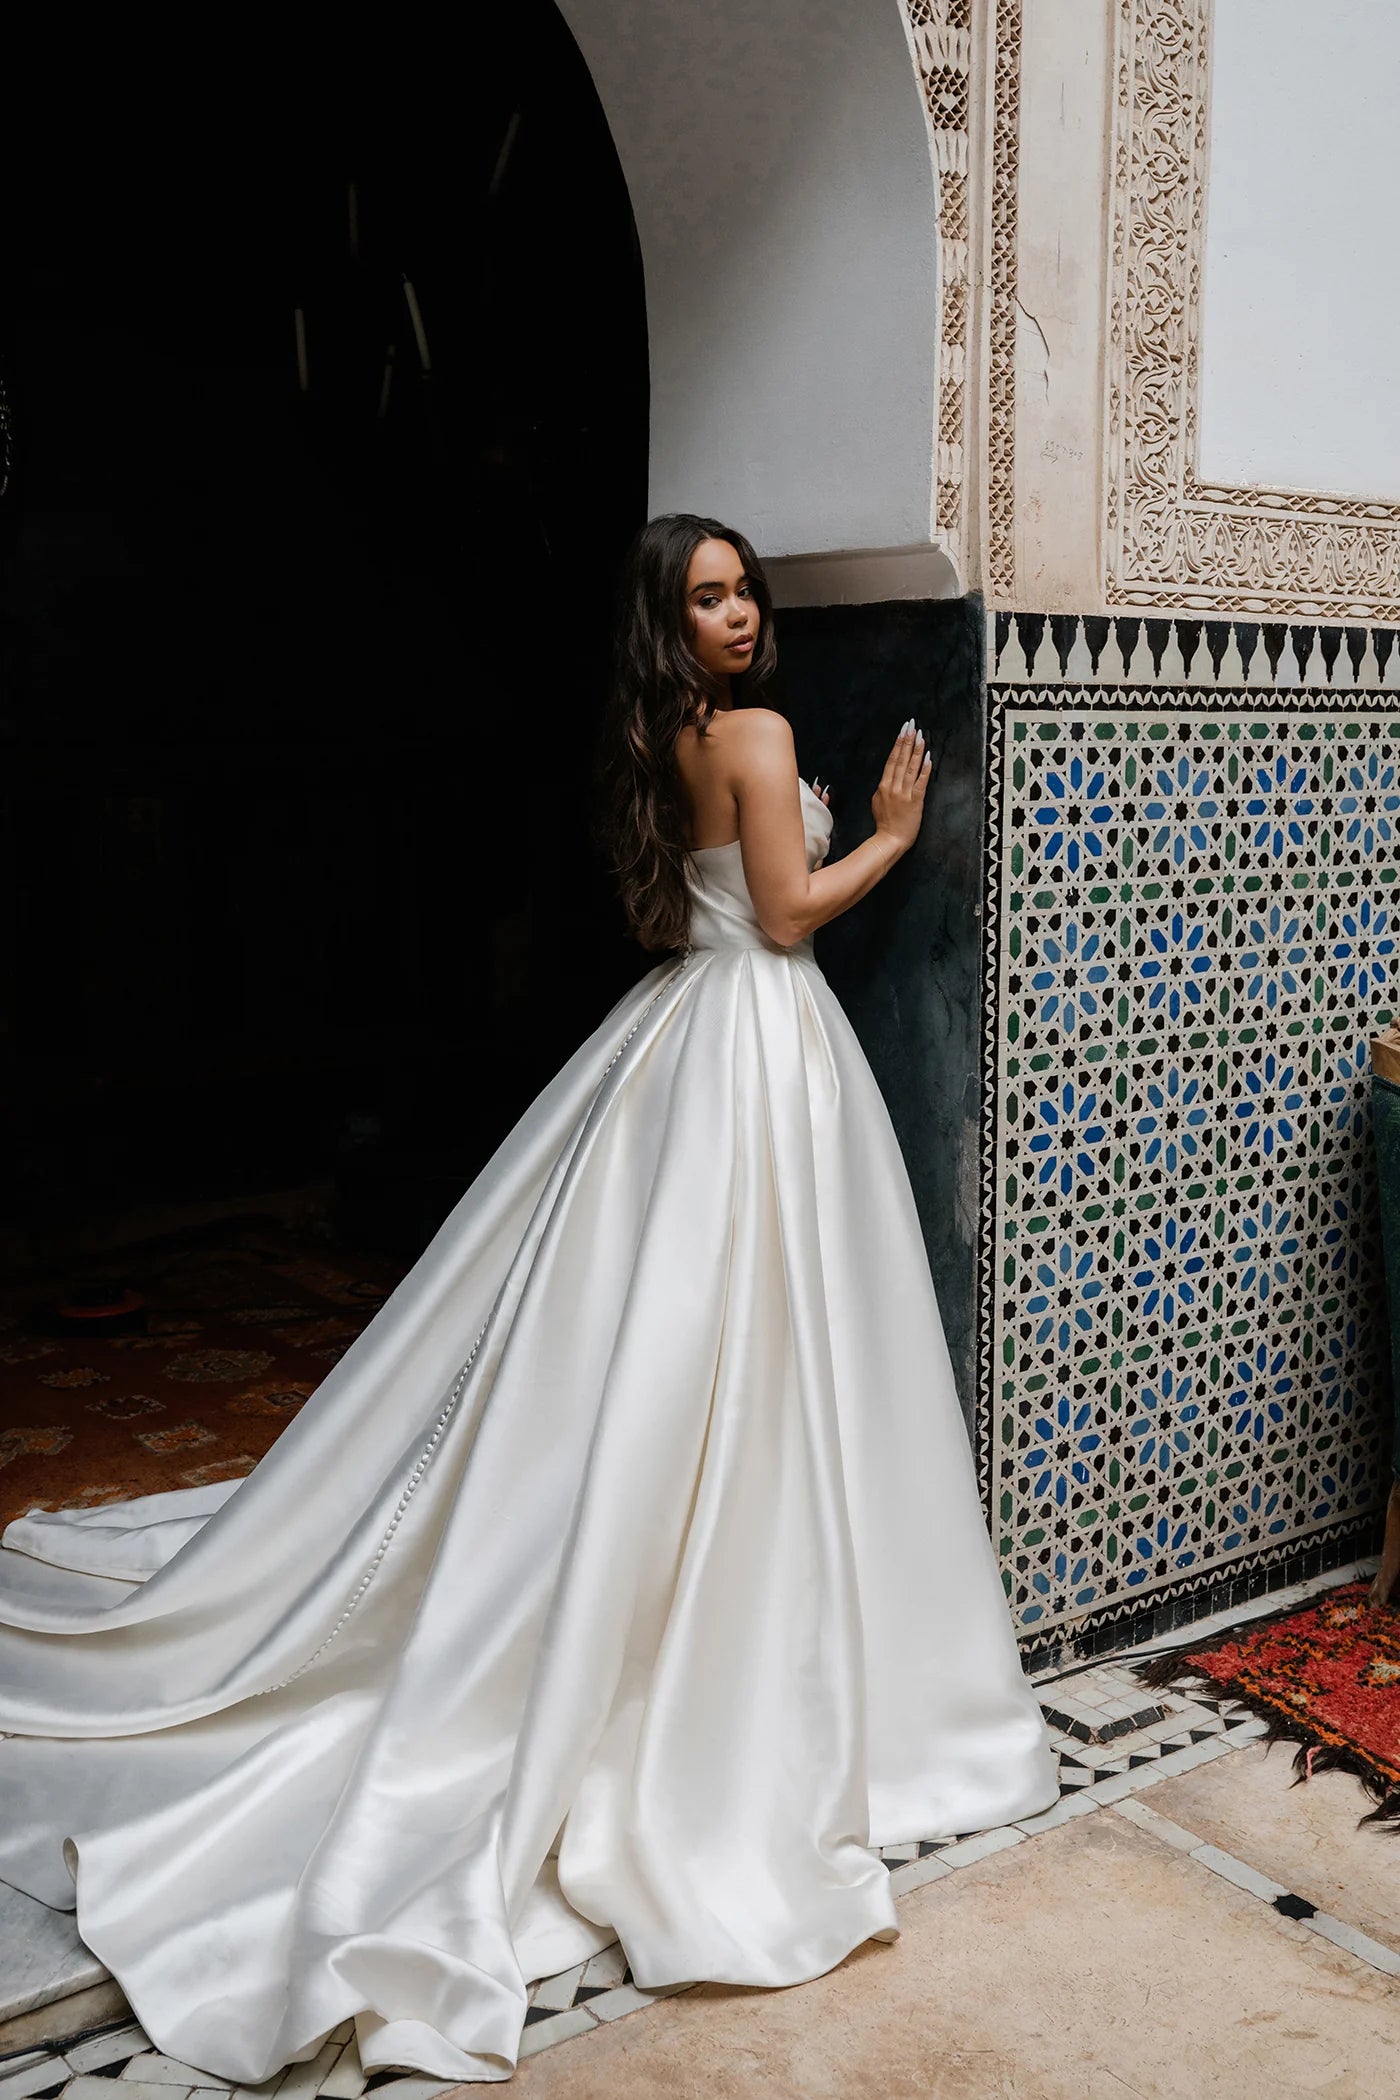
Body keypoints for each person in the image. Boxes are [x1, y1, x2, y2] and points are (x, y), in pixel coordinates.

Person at [0, 514, 1058, 2085]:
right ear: (668, 622)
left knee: (673, 1347)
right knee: (749, 1350)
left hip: (680, 1040)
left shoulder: (665, 738)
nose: (743, 614)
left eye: (747, 589)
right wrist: (891, 837)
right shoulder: (758, 732)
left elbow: (693, 911)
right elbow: (779, 915)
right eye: (708, 598)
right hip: (758, 1045)